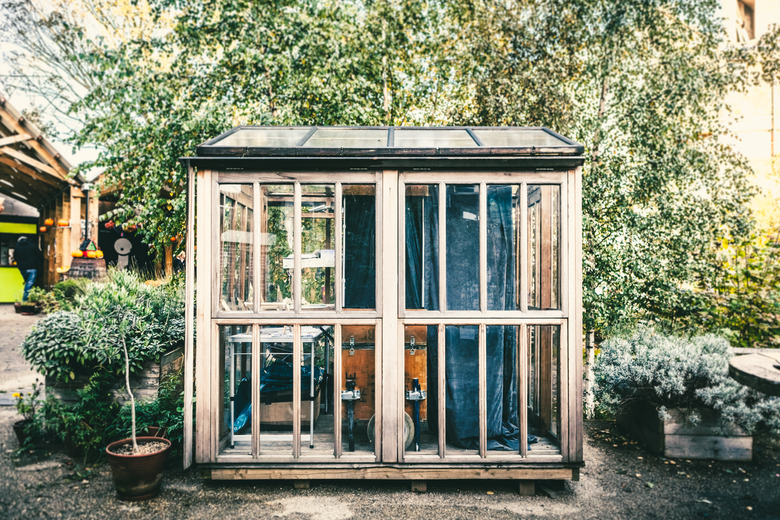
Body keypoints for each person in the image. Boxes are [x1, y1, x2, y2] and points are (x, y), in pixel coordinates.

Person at [14, 236, 43, 301]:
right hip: (32, 267)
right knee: (29, 283)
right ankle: (25, 300)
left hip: (22, 268)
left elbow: (15, 257)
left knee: (28, 283)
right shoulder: (32, 245)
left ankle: (31, 297)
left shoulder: (17, 247)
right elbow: (39, 255)